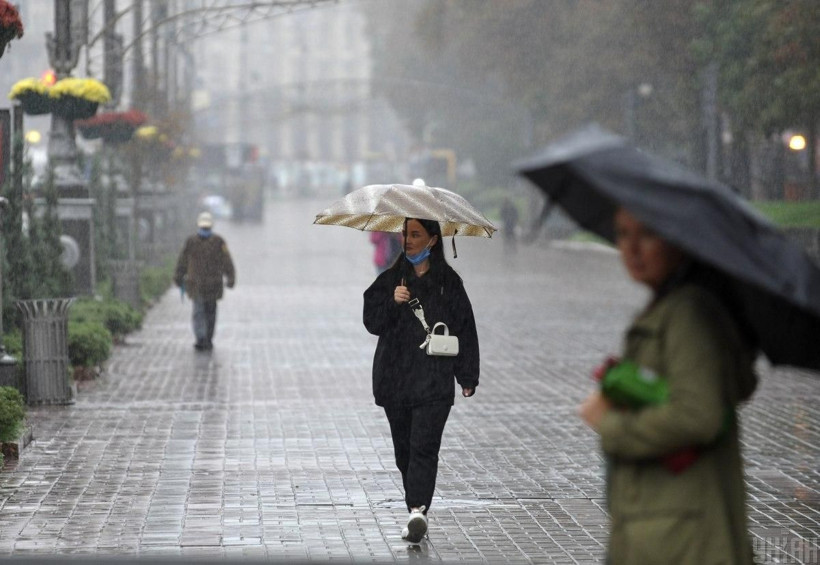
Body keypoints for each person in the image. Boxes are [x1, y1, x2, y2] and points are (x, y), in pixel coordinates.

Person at [579, 207, 758, 564]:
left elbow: (697, 415)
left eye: (646, 234)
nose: (632, 249)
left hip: (680, 539)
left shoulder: (688, 314)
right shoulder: (671, 307)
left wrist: (610, 424)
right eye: (623, 234)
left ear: (678, 240)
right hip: (663, 528)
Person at [363, 218, 480, 545]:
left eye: (415, 234)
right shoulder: (389, 280)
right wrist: (392, 302)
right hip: (395, 380)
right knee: (404, 453)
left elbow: (465, 328)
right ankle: (416, 507)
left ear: (431, 240)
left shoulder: (449, 283)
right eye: (404, 233)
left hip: (433, 382)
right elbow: (371, 322)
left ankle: (417, 509)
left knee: (424, 448)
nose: (407, 240)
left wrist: (467, 375)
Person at [174, 211, 236, 351]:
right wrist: (178, 276)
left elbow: (227, 261)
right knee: (199, 311)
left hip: (212, 285)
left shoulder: (219, 242)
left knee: (209, 312)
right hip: (197, 285)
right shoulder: (191, 242)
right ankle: (201, 338)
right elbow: (183, 261)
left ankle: (207, 338)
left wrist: (231, 278)